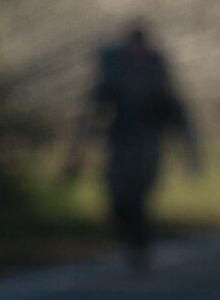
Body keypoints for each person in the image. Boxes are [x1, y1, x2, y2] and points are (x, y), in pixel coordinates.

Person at [72, 24, 200, 270]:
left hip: (147, 146)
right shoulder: (114, 78)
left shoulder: (157, 78)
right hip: (119, 146)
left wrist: (190, 156)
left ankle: (140, 249)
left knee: (139, 198)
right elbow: (91, 115)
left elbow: (178, 118)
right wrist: (76, 155)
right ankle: (133, 244)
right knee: (117, 201)